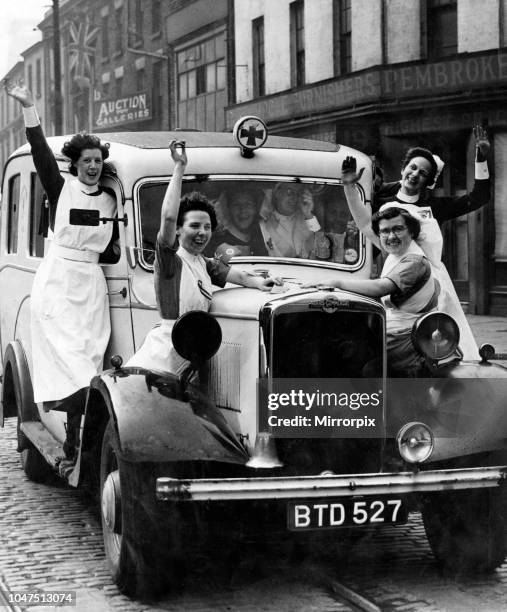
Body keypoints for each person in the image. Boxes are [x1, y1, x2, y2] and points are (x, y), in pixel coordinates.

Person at [4, 79, 118, 465]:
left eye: (97, 161)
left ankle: (79, 443)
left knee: (90, 361)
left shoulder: (110, 197)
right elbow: (39, 153)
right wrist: (29, 106)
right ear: (75, 164)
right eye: (86, 161)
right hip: (59, 282)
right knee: (70, 362)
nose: (92, 166)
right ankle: (72, 445)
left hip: (92, 285)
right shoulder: (61, 189)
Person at [127, 141, 281, 375]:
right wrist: (179, 168)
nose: (202, 232)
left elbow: (235, 275)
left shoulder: (203, 262)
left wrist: (260, 282)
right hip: (166, 354)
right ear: (178, 230)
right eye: (195, 226)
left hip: (194, 350)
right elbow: (168, 217)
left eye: (207, 227)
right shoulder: (170, 260)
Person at [344, 127, 491, 361]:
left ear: (428, 181)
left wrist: (481, 158)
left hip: (433, 285)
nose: (415, 174)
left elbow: (479, 198)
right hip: (396, 278)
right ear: (403, 169)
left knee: (438, 345)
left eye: (423, 173)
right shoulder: (382, 205)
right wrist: (350, 186)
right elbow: (363, 223)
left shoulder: (434, 207)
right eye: (412, 167)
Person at [304, 207, 440, 375]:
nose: (391, 236)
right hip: (395, 330)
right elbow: (364, 222)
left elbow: (380, 288)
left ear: (411, 232)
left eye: (398, 229)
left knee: (339, 352)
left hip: (405, 338)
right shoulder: (397, 254)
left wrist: (337, 282)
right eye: (385, 231)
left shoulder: (414, 261)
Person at [205, 185, 268, 260]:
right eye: (236, 204)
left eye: (248, 204)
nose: (243, 210)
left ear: (256, 208)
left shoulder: (262, 236)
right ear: (228, 209)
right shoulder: (215, 242)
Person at [259, 183, 321, 258]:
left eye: (298, 193)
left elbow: (321, 247)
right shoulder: (263, 225)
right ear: (277, 193)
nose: (294, 198)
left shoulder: (307, 219)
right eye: (290, 192)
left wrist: (308, 214)